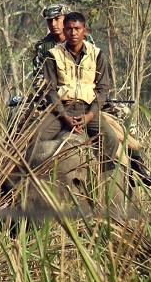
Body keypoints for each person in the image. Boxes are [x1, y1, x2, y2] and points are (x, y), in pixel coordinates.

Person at [36, 11, 120, 168]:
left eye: (77, 28)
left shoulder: (97, 54)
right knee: (35, 139)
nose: (73, 33)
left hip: (87, 108)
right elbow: (50, 90)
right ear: (64, 30)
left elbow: (103, 89)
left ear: (84, 31)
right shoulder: (53, 55)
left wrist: (90, 115)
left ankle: (103, 180)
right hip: (61, 110)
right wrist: (64, 116)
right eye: (69, 29)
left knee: (111, 140)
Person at [30, 3, 67, 77]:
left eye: (57, 19)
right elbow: (38, 77)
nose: (53, 24)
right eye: (50, 20)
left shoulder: (82, 41)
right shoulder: (42, 47)